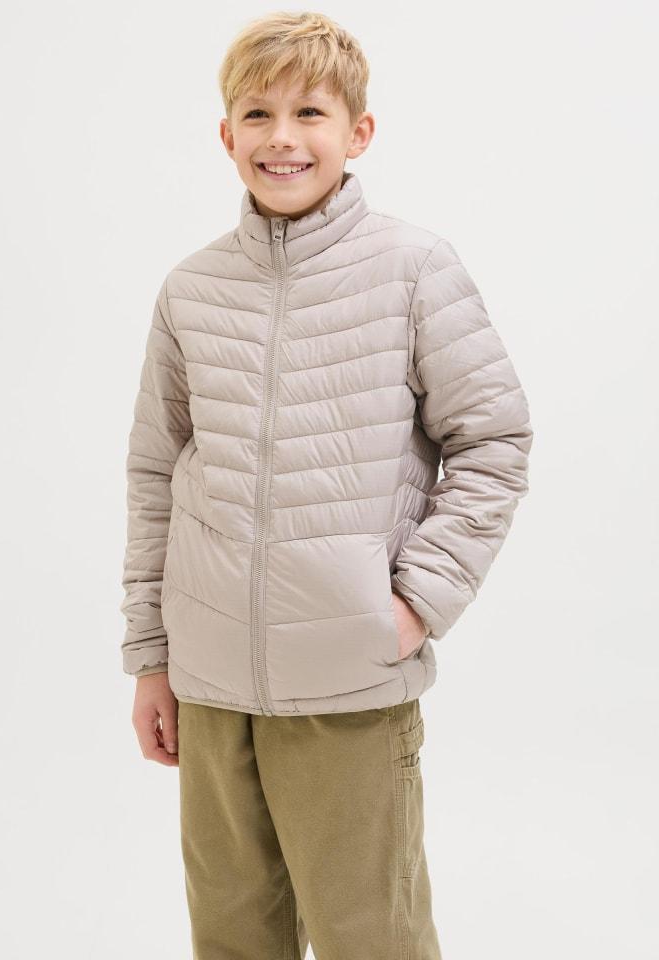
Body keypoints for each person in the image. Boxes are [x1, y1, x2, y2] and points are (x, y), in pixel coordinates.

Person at [119, 11, 533, 959]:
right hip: (211, 685)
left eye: (310, 112)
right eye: (257, 114)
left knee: (372, 939)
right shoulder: (191, 289)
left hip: (350, 682)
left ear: (359, 131)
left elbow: (494, 441)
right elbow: (154, 476)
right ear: (227, 135)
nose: (283, 138)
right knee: (232, 940)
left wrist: (415, 603)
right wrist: (151, 656)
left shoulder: (413, 269)